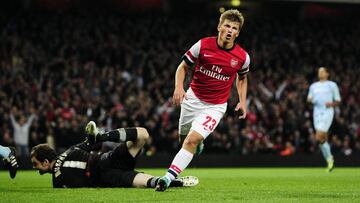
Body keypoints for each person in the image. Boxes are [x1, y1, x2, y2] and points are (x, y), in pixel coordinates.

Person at [155, 9, 250, 191]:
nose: (230, 30)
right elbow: (182, 67)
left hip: (215, 107)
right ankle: (197, 145)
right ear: (219, 27)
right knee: (183, 138)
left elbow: (243, 78)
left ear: (238, 33)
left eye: (234, 28)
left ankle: (167, 178)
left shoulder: (242, 57)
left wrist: (242, 101)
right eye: (227, 26)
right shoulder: (202, 45)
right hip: (192, 99)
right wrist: (178, 87)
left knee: (191, 140)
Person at [30, 121, 199, 188]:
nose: (35, 168)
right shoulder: (70, 150)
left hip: (103, 177)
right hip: (105, 159)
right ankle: (104, 135)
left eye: (36, 163)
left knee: (137, 181)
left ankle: (162, 181)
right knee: (143, 134)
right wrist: (94, 136)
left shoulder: (57, 183)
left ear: (46, 162)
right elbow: (90, 143)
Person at [307, 67, 341, 172]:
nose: (320, 73)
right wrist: (309, 100)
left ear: (327, 73)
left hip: (327, 112)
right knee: (322, 139)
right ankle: (330, 161)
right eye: (319, 71)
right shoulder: (313, 86)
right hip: (316, 113)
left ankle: (330, 159)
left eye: (322, 71)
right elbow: (309, 99)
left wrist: (331, 103)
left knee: (318, 137)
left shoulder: (332, 85)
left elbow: (338, 101)